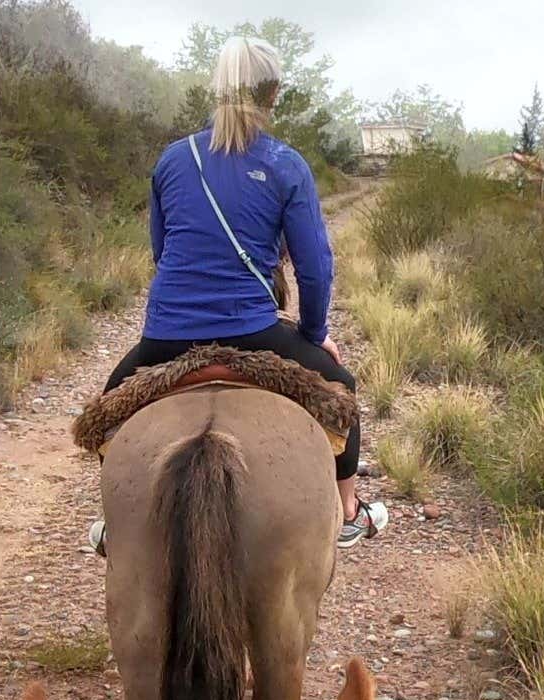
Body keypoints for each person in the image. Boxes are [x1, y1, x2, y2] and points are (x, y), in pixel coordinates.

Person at [93, 36, 387, 551]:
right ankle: (346, 511)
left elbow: (162, 253)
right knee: (342, 391)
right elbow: (316, 271)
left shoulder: (172, 159)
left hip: (167, 338)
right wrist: (316, 336)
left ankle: (117, 523)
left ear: (217, 90)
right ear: (272, 93)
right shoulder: (284, 163)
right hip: (255, 334)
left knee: (106, 409)